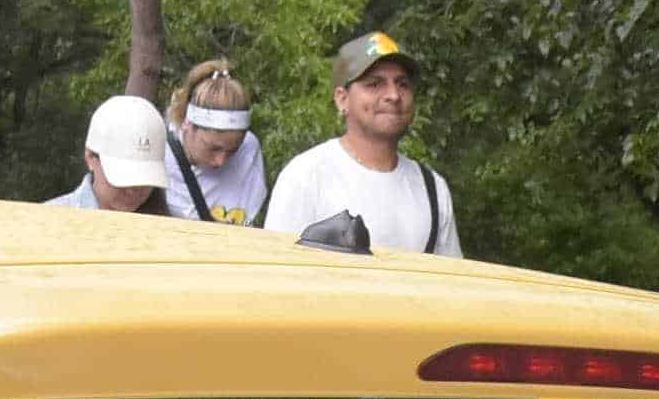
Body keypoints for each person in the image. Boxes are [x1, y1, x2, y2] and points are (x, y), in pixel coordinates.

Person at [265, 32, 460, 255]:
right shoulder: (307, 175)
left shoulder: (432, 188)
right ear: (342, 99)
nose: (393, 95)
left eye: (402, 84)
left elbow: (453, 282)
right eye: (375, 84)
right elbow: (275, 271)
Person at [163, 62, 269, 224]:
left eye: (233, 150)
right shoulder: (161, 156)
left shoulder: (248, 150)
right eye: (213, 148)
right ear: (188, 124)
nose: (221, 161)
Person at [51, 93, 175, 211]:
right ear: (90, 157)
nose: (133, 190)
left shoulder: (174, 226)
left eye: (146, 179)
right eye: (124, 177)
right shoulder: (49, 220)